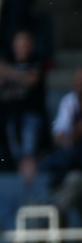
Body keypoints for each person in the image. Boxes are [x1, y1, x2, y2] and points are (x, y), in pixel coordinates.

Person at [0, 30, 45, 185]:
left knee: (29, 153)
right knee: (16, 155)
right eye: (20, 44)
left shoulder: (36, 61)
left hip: (30, 115)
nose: (23, 47)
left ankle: (30, 191)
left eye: (26, 44)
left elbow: (31, 80)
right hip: (9, 117)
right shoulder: (8, 60)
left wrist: (9, 72)